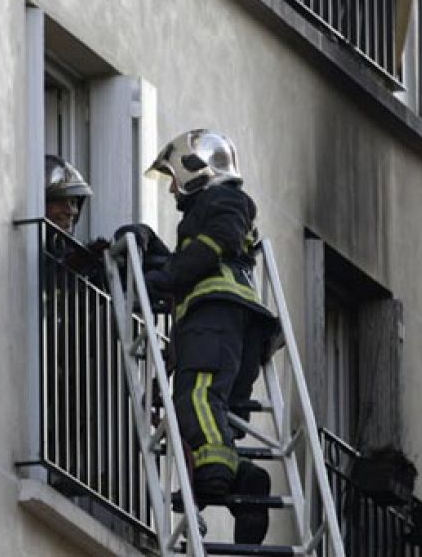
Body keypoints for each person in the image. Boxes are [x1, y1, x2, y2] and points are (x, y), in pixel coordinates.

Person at [115, 129, 277, 545]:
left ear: (197, 169)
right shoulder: (212, 211)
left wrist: (164, 276)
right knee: (203, 414)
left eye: (174, 176)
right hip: (225, 323)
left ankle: (217, 476)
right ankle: (246, 482)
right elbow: (195, 263)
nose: (171, 188)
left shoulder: (223, 201)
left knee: (198, 398)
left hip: (217, 314)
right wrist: (155, 257)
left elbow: (207, 252)